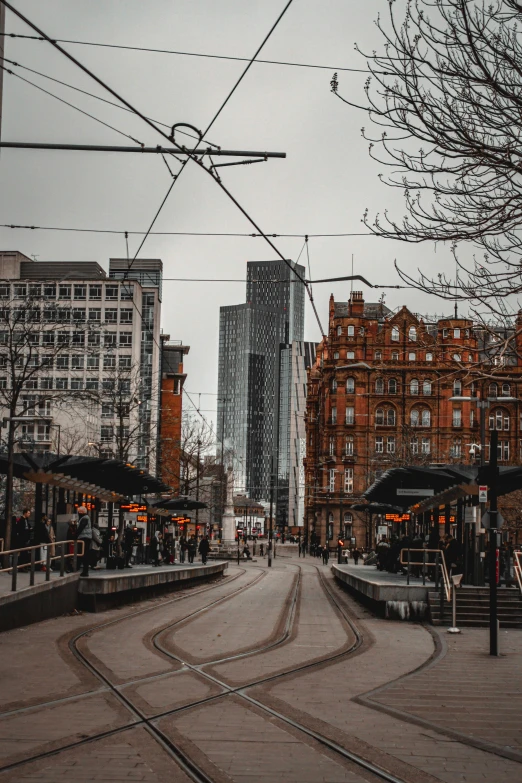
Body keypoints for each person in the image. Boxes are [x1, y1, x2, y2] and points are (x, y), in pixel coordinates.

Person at [76, 506, 93, 577]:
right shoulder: (85, 518)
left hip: (84, 538)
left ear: (82, 512)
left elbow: (80, 528)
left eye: (79, 512)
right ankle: (80, 569)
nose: (78, 513)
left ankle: (84, 571)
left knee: (83, 554)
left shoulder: (84, 518)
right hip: (85, 538)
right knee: (82, 554)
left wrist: (75, 536)